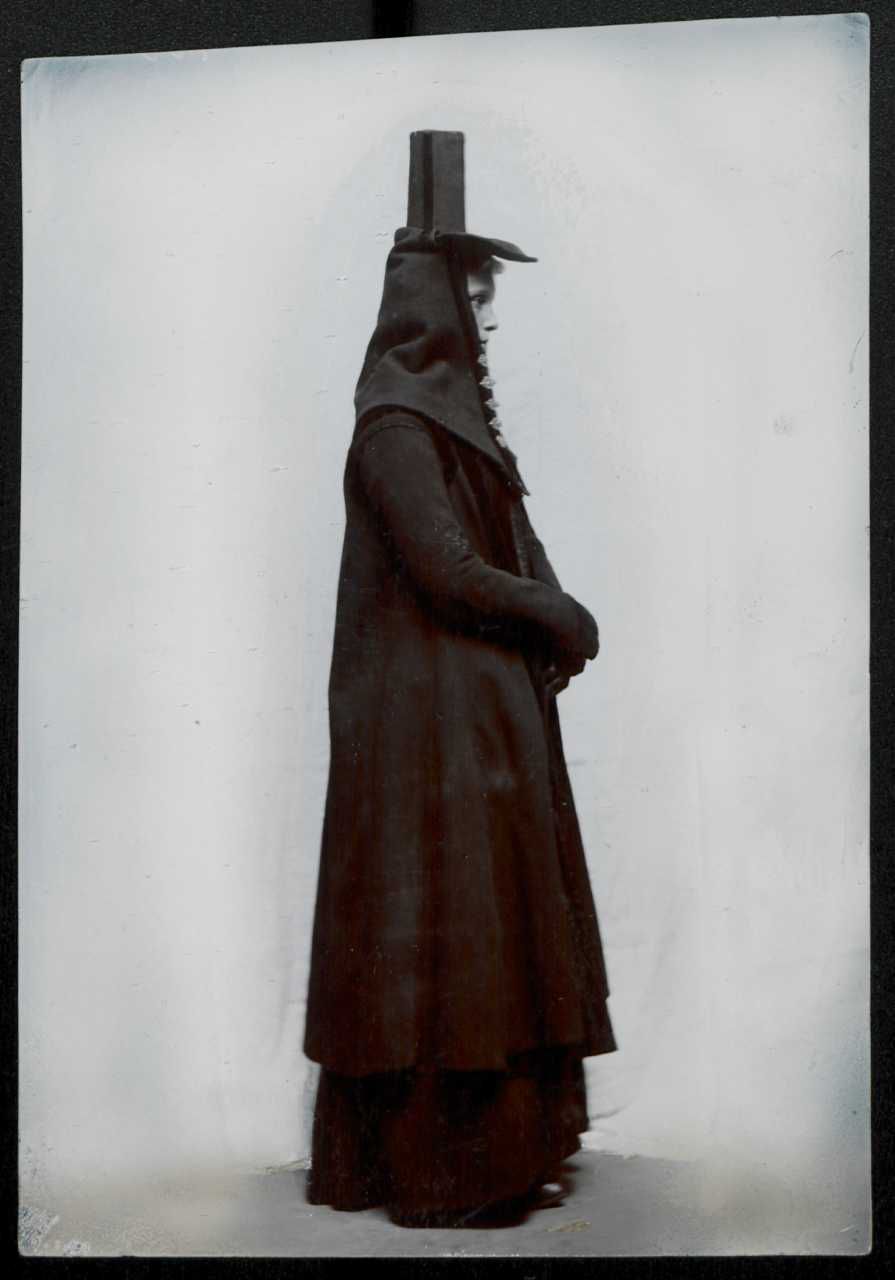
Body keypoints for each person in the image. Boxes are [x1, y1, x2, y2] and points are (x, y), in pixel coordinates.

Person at [303, 131, 616, 1228]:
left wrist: (554, 606)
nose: (487, 314)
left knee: (489, 925)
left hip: (475, 719)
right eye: (474, 291)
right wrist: (557, 614)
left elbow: (505, 538)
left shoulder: (446, 420)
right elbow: (446, 571)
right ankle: (444, 1170)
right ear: (430, 299)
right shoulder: (394, 425)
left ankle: (502, 1155)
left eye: (487, 294)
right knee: (443, 931)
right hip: (425, 732)